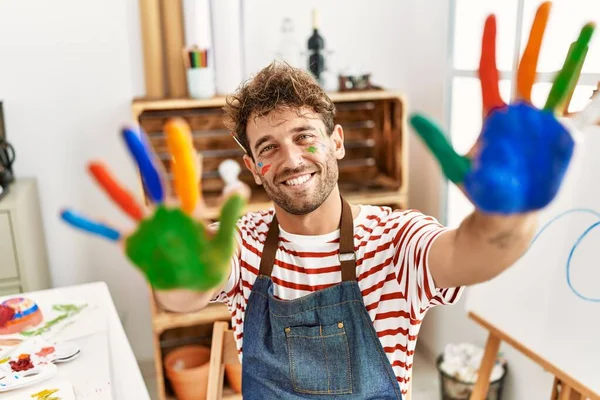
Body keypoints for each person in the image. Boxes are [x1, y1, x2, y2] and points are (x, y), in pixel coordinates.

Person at [153, 62, 538, 399]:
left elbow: (477, 253)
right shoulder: (239, 242)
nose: (291, 159)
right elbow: (181, 292)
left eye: (304, 136)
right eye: (268, 148)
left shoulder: (394, 239)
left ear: (336, 142)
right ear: (253, 168)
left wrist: (508, 210)